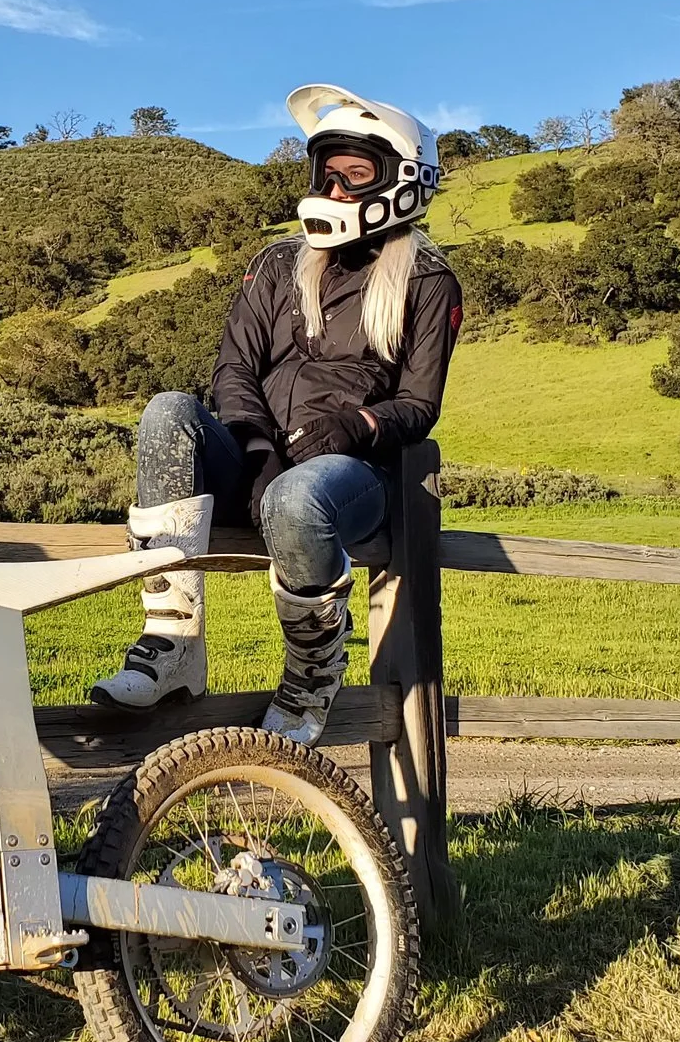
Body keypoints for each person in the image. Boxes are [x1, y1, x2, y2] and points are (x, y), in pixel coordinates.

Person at [90, 84, 462, 746]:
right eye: (327, 172)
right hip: (260, 456)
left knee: (296, 499)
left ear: (404, 183)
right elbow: (232, 370)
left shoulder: (427, 280)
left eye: (357, 175)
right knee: (166, 412)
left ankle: (313, 670)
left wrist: (358, 424)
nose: (337, 189)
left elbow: (418, 404)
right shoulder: (276, 264)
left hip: (352, 477)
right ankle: (172, 643)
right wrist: (256, 451)